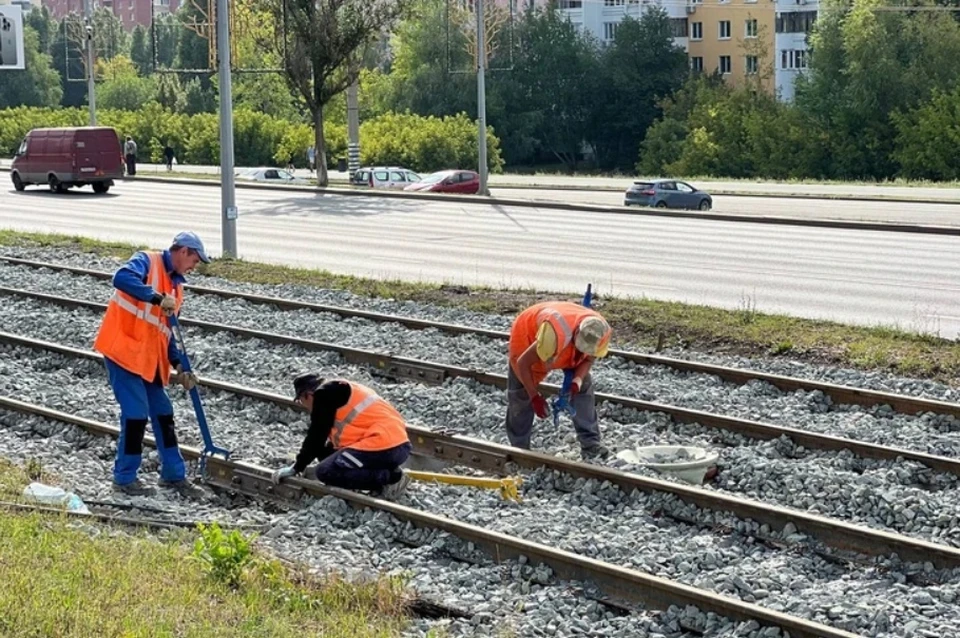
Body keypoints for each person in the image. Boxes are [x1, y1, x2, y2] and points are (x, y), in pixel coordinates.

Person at [93, 231, 211, 496]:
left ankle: (173, 475)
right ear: (183, 252)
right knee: (136, 414)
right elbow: (120, 278)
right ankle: (123, 479)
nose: (194, 267)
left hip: (147, 360)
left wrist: (179, 365)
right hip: (122, 351)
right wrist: (157, 297)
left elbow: (166, 333)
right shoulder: (147, 260)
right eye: (195, 260)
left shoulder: (177, 288)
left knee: (163, 413)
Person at [271, 374, 413, 500]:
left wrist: (297, 467)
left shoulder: (322, 395)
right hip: (396, 446)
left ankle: (392, 478)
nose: (304, 406)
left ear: (308, 395)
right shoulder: (339, 390)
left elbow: (316, 435)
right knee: (326, 455)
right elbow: (322, 445)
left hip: (383, 447)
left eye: (301, 401)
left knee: (325, 471)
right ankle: (382, 474)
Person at [506, 301, 613, 460]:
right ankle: (519, 449)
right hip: (528, 334)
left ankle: (591, 444)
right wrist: (534, 396)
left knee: (584, 386)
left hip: (564, 339)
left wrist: (576, 381)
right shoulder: (554, 335)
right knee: (521, 394)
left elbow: (588, 359)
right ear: (576, 335)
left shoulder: (600, 332)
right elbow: (523, 363)